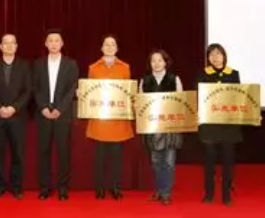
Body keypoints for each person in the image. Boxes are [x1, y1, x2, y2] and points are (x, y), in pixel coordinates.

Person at [86, 35, 134, 200]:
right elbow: (90, 92)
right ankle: (99, 188)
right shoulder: (93, 68)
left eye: (112, 44)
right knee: (99, 158)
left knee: (116, 158)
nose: (109, 47)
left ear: (117, 48)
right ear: (101, 48)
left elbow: (127, 92)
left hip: (118, 119)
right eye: (106, 44)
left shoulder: (125, 67)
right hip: (100, 119)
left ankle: (115, 188)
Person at [0, 33, 32, 199]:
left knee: (18, 154)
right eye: (6, 43)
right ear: (0, 47)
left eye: (13, 43)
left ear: (16, 46)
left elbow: (28, 91)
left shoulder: (25, 66)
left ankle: (16, 187)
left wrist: (14, 108)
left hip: (18, 117)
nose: (9, 46)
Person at [33, 29, 78, 201]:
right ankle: (45, 187)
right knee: (43, 151)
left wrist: (60, 108)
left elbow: (72, 89)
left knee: (63, 151)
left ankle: (63, 188)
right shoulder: (38, 64)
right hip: (43, 114)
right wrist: (43, 107)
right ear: (46, 44)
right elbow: (35, 88)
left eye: (56, 40)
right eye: (50, 41)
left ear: (62, 43)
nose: (53, 43)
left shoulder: (70, 64)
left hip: (63, 114)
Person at [196, 43, 242, 205]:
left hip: (228, 124)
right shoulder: (203, 74)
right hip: (209, 124)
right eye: (211, 54)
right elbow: (199, 98)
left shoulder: (233, 74)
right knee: (209, 159)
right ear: (208, 58)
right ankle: (209, 193)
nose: (215, 57)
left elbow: (239, 97)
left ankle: (226, 194)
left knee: (228, 159)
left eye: (218, 54)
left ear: (224, 56)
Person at [140, 49, 184, 205]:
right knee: (156, 162)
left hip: (170, 128)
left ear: (166, 62)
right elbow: (142, 105)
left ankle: (166, 193)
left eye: (160, 60)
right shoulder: (144, 81)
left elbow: (181, 103)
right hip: (152, 129)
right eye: (153, 60)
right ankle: (159, 191)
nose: (156, 63)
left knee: (169, 163)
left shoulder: (174, 79)